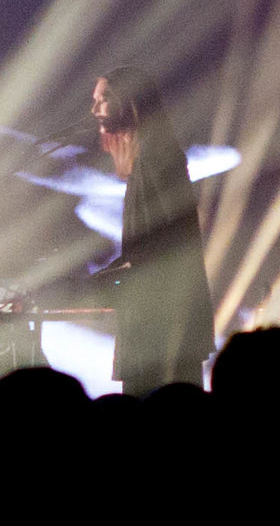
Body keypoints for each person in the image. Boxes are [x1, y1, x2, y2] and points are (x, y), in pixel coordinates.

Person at [92, 66, 216, 394]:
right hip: (156, 322)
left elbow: (168, 244)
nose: (95, 110)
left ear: (127, 101)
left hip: (164, 327)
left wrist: (114, 275)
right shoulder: (146, 159)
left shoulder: (158, 157)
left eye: (102, 99)